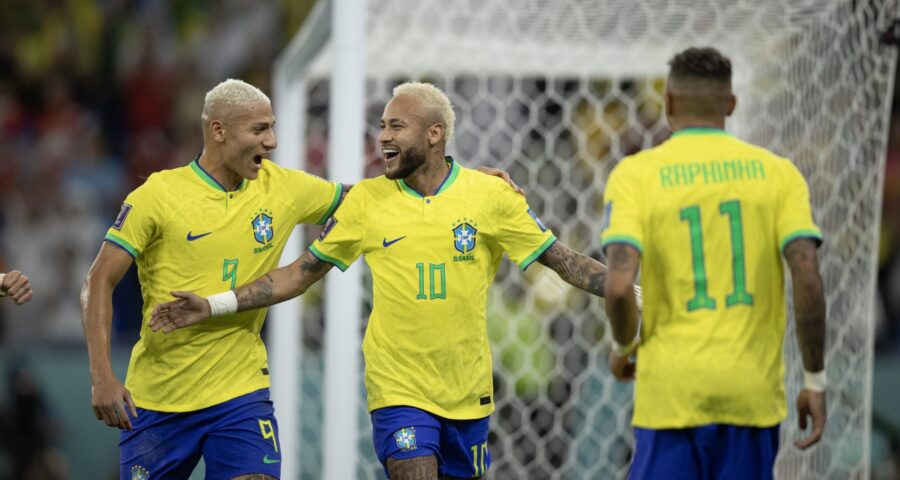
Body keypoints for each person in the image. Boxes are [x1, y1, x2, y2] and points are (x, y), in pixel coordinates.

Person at [150, 81, 633, 480]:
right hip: (398, 390)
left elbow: (562, 260)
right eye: (381, 125)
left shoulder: (490, 197)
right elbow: (297, 276)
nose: (382, 135)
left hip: (468, 392)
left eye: (396, 126)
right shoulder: (367, 202)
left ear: (435, 134)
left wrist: (633, 292)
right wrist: (214, 305)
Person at [80, 78, 521, 480]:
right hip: (159, 396)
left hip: (240, 392)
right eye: (259, 131)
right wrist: (102, 376)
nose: (271, 142)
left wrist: (455, 180)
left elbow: (372, 199)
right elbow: (99, 280)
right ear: (219, 131)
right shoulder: (158, 195)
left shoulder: (283, 188)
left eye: (272, 128)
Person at [601, 47, 827, 480]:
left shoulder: (637, 174)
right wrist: (814, 380)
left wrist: (624, 348)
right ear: (731, 105)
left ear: (668, 103)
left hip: (670, 396)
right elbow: (808, 279)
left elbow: (617, 286)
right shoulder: (779, 174)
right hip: (751, 398)